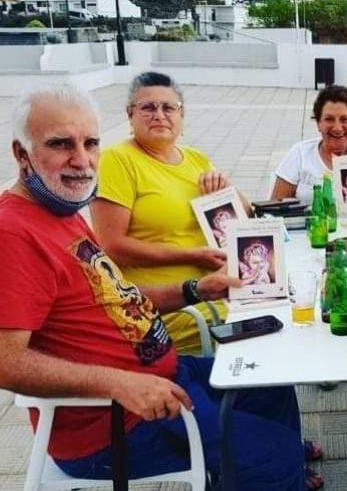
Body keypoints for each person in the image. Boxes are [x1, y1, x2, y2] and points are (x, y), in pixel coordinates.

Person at [0, 86, 312, 490]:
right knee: (273, 455)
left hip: (167, 374)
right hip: (115, 421)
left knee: (272, 381)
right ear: (21, 154)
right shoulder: (14, 233)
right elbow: (6, 361)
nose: (81, 160)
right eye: (60, 144)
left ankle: (268, 471)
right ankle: (272, 470)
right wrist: (120, 383)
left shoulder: (61, 210)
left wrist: (196, 289)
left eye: (91, 143)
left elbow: (117, 302)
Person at [91, 72, 250, 355]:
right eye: (148, 107)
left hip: (218, 288)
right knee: (261, 333)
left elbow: (245, 215)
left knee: (284, 310)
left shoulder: (195, 158)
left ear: (181, 115)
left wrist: (227, 190)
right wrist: (192, 256)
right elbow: (111, 246)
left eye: (168, 108)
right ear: (130, 115)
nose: (159, 115)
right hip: (170, 305)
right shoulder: (117, 161)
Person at [271, 85, 347, 218]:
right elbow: (274, 210)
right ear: (318, 123)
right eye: (329, 119)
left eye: (344, 119)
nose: (337, 128)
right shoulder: (300, 154)